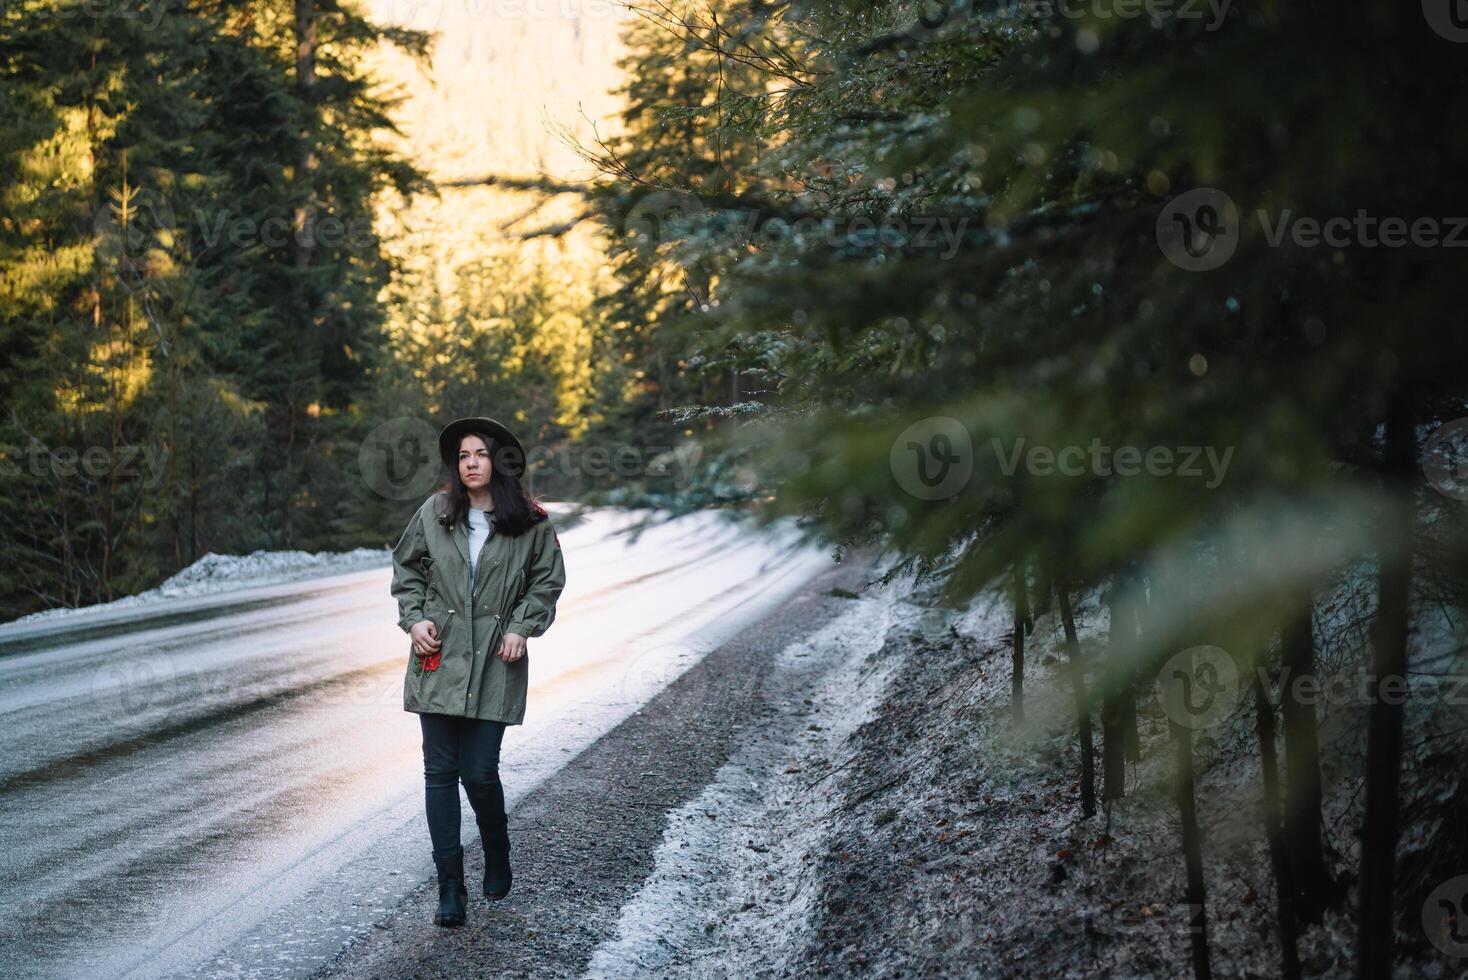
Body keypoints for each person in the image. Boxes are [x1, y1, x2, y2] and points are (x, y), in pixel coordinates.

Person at [388, 416, 567, 927]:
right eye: (463, 456)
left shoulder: (530, 522)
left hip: (496, 658)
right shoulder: (435, 512)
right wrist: (416, 618)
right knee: (440, 774)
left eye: (480, 454)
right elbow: (408, 570)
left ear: (500, 462)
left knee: (480, 772)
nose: (470, 463)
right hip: (437, 658)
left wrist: (521, 627)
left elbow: (546, 582)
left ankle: (497, 848)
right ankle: (450, 888)